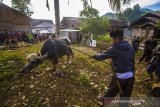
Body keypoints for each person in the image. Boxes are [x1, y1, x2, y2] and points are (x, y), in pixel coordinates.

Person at [92, 30, 135, 106]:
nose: (112, 41)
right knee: (125, 97)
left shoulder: (114, 48)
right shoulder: (131, 47)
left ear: (117, 39)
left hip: (120, 77)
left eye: (112, 39)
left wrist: (95, 56)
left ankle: (104, 103)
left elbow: (101, 56)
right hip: (131, 76)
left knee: (111, 93)